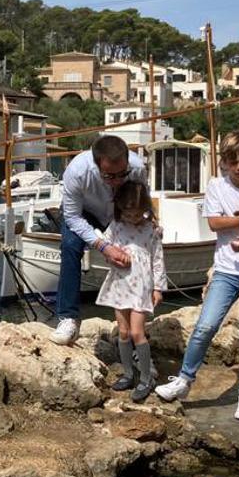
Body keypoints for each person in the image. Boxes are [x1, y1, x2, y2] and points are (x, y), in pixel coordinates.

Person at [155, 130, 239, 421]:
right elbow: (214, 223)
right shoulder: (216, 186)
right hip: (225, 270)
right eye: (233, 161)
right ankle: (185, 380)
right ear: (223, 161)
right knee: (204, 327)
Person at [50, 134, 147, 345]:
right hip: (85, 212)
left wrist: (149, 224)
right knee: (70, 246)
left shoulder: (138, 169)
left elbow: (142, 202)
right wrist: (104, 247)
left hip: (121, 211)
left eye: (123, 174)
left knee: (135, 254)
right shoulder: (77, 172)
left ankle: (134, 330)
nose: (118, 181)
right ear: (96, 164)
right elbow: (73, 217)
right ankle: (69, 318)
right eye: (110, 176)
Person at [95, 180, 167, 401]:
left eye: (137, 214)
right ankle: (128, 373)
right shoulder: (116, 227)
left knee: (137, 332)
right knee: (123, 332)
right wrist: (112, 254)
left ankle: (146, 377)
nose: (133, 219)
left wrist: (158, 287)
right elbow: (103, 246)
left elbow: (157, 259)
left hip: (141, 286)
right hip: (121, 282)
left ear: (145, 210)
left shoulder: (150, 230)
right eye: (128, 214)